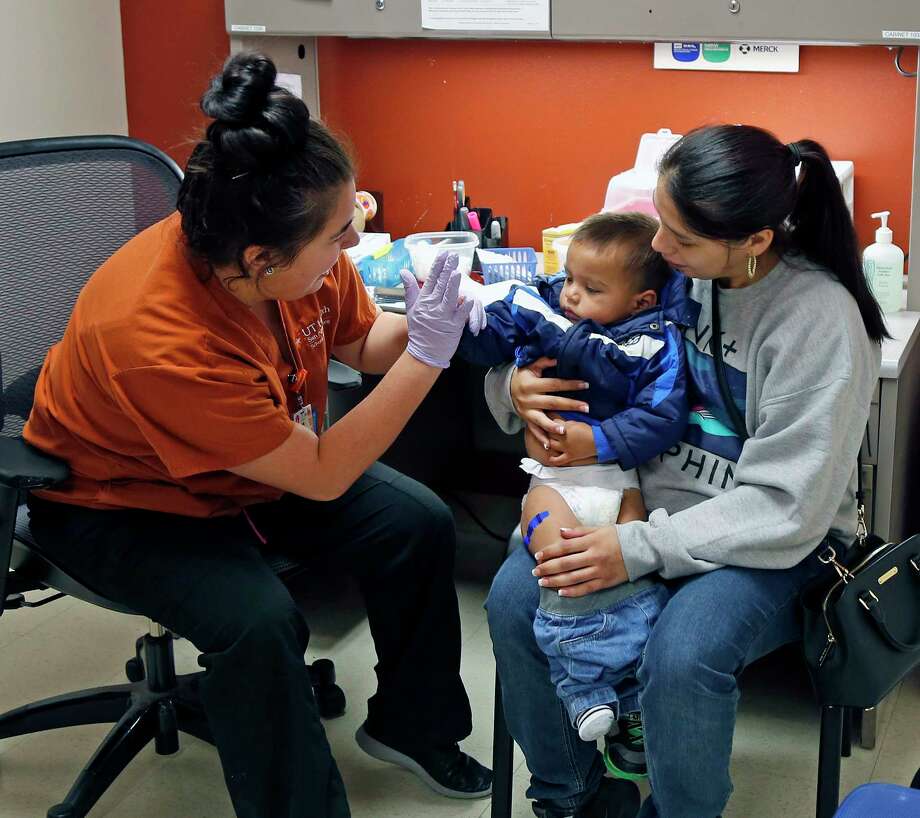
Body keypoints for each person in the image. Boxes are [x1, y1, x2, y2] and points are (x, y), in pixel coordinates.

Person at [22, 52, 490, 818]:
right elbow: (324, 473)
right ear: (258, 261)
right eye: (339, 237)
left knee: (415, 522)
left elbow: (361, 346)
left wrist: (453, 320)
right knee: (260, 622)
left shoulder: (295, 246)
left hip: (252, 465)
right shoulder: (156, 334)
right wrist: (433, 356)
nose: (352, 244)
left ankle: (414, 727)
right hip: (119, 503)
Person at [483, 125, 886, 818]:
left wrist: (634, 550)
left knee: (682, 652)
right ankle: (571, 799)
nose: (660, 250)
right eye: (659, 223)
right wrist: (513, 389)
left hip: (769, 540)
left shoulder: (819, 321)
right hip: (636, 508)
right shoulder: (664, 275)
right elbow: (546, 329)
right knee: (515, 599)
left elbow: (787, 507)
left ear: (755, 241)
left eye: (682, 239)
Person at [457, 214, 692, 765]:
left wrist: (601, 441)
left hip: (618, 479)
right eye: (568, 280)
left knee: (630, 584)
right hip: (554, 481)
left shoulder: (651, 340)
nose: (569, 296)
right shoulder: (554, 309)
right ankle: (580, 687)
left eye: (590, 290)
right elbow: (496, 334)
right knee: (554, 566)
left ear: (640, 301)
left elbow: (661, 415)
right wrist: (468, 322)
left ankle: (623, 690)